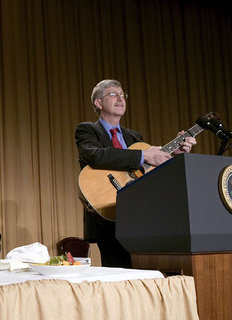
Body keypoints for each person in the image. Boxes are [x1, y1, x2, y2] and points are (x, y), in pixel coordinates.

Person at [75, 79, 196, 268]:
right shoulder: (87, 130)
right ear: (98, 103)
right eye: (113, 94)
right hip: (108, 215)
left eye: (123, 95)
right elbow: (95, 156)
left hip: (141, 216)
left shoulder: (134, 137)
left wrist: (173, 155)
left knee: (148, 272)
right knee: (120, 276)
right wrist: (143, 155)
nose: (120, 99)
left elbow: (146, 174)